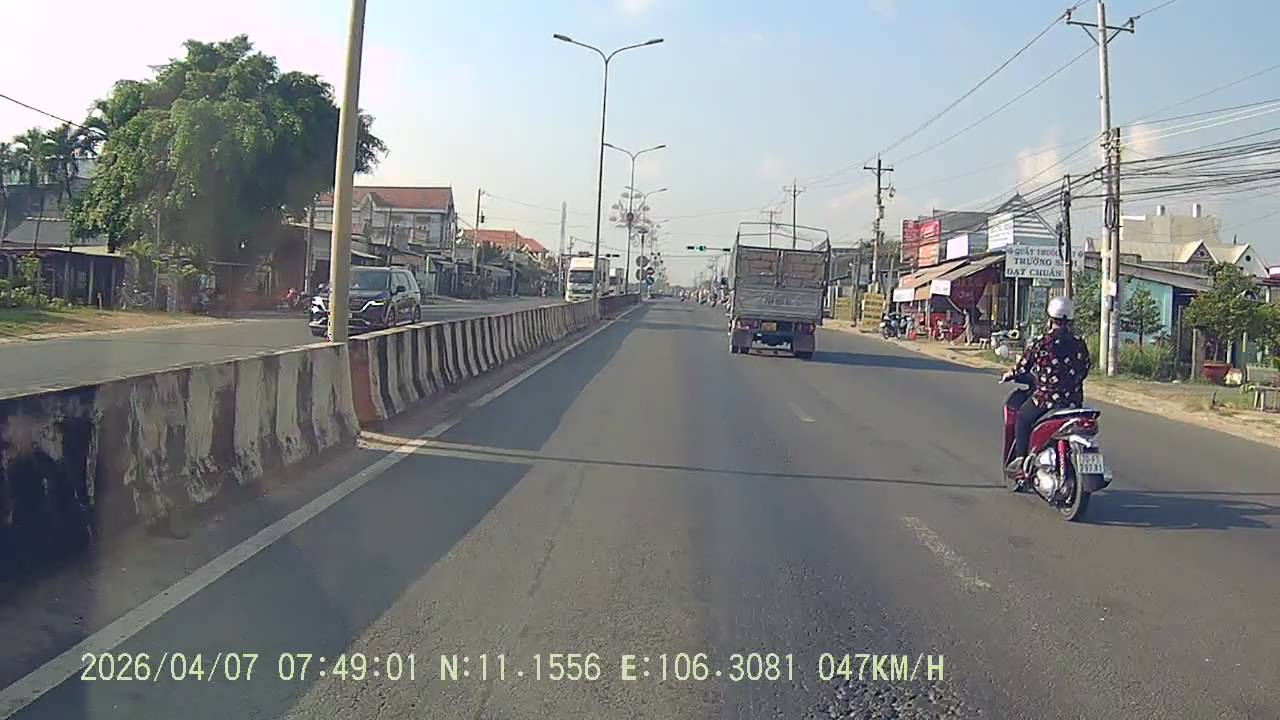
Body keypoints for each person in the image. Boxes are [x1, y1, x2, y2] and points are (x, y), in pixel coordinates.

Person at [1001, 296, 1090, 479]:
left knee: (1022, 418)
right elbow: (1085, 368)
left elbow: (1023, 367)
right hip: (1073, 401)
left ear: (1050, 319)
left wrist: (1011, 374)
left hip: (1046, 399)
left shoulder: (1042, 342)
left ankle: (1020, 460)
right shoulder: (1079, 343)